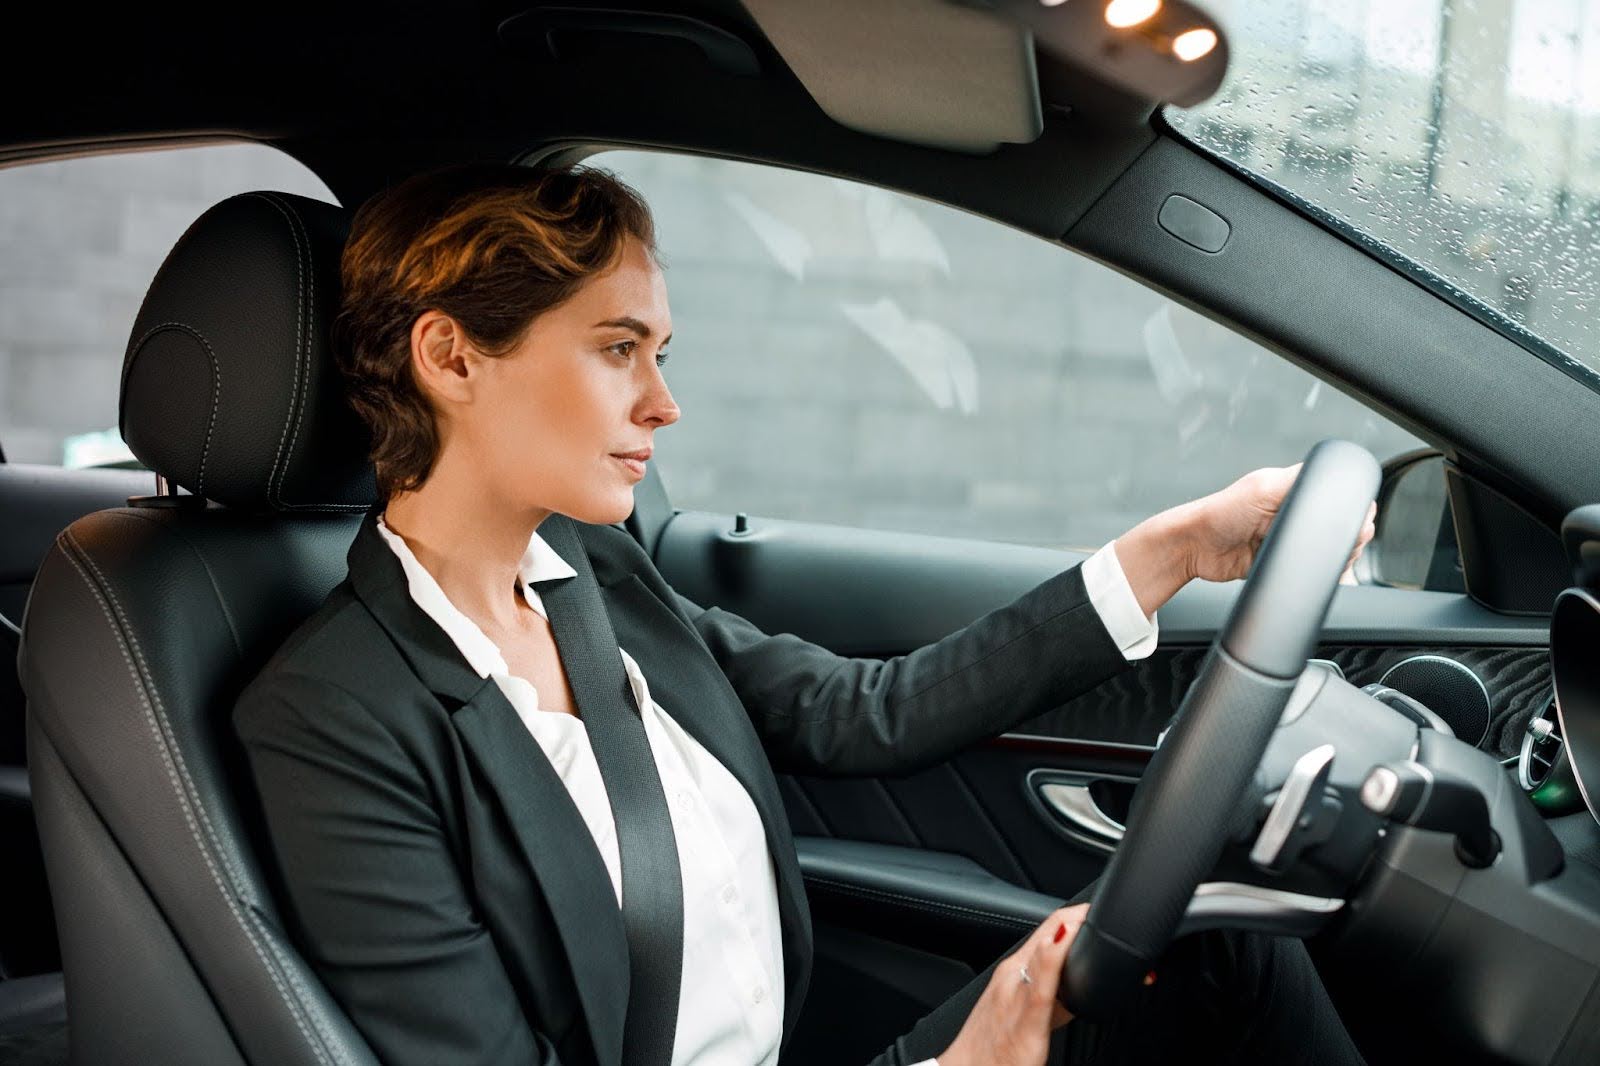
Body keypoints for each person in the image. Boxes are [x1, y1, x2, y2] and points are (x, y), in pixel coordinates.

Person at [233, 162, 1374, 1066]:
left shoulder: (593, 573)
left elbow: (859, 712)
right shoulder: (336, 717)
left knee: (1214, 933)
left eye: (660, 353)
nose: (664, 403)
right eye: (618, 349)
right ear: (450, 356)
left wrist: (1172, 551)